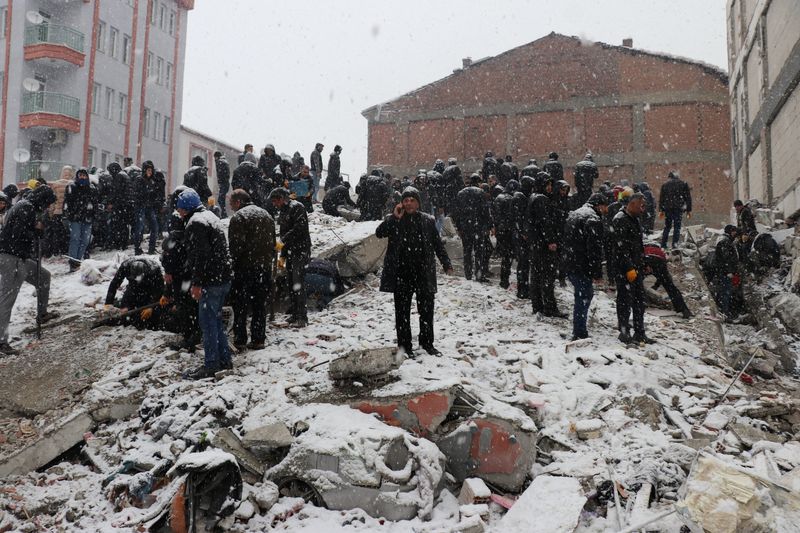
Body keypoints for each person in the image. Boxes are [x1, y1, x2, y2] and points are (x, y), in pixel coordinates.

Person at [376, 187, 453, 356]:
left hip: (423, 272)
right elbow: (379, 233)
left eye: (412, 200)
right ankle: (405, 347)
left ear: (418, 203)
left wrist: (446, 263)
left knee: (426, 310)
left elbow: (437, 244)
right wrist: (394, 218)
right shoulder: (395, 219)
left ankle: (427, 343)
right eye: (406, 200)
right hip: (401, 274)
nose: (408, 203)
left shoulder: (427, 220)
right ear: (401, 203)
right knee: (402, 312)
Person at [177, 188, 233, 379]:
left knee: (208, 324)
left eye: (180, 208)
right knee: (216, 322)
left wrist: (197, 283)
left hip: (210, 281)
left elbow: (201, 255)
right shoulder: (211, 217)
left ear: (186, 208)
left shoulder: (196, 223)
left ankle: (211, 365)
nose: (179, 212)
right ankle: (224, 360)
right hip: (223, 278)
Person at [0, 185, 59, 354]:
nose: (47, 207)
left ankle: (42, 313)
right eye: (47, 204)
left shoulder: (24, 204)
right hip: (12, 257)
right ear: (42, 200)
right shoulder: (26, 208)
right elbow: (18, 233)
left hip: (20, 256)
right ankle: (1, 342)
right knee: (6, 299)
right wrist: (36, 230)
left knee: (44, 277)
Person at [228, 189, 275, 351]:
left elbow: (235, 248)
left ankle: (240, 339)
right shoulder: (267, 216)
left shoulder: (239, 218)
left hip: (244, 270)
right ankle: (258, 339)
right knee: (259, 305)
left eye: (231, 203)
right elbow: (273, 244)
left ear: (238, 202)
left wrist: (231, 265)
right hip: (264, 269)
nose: (231, 207)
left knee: (240, 306)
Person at [562, 193, 608, 340]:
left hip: (570, 262)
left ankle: (579, 329)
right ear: (598, 205)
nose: (606, 210)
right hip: (582, 265)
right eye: (605, 206)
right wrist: (597, 274)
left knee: (581, 296)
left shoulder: (575, 214)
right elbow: (594, 250)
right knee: (584, 296)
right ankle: (580, 332)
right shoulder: (593, 219)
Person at [612, 193, 653, 344]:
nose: (643, 209)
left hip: (637, 267)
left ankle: (640, 332)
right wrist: (628, 267)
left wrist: (644, 262)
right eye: (641, 206)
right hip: (624, 269)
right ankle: (624, 332)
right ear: (633, 203)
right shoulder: (620, 219)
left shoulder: (635, 219)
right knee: (624, 301)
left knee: (639, 301)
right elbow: (620, 248)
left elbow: (639, 245)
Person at [525, 172, 566, 317]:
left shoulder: (533, 197)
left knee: (536, 275)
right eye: (547, 184)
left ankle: (538, 306)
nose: (549, 187)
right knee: (547, 276)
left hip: (535, 243)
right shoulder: (541, 199)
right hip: (543, 245)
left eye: (550, 185)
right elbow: (545, 222)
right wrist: (551, 241)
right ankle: (550, 307)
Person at [160, 210, 200, 351]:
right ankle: (194, 334)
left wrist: (169, 271)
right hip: (190, 276)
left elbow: (167, 258)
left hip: (181, 277)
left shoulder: (173, 239)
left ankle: (190, 337)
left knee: (184, 306)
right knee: (191, 305)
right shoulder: (191, 232)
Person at [270, 187, 311, 327]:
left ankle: (302, 317)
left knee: (298, 283)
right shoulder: (283, 211)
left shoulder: (297, 207)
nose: (275, 204)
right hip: (290, 252)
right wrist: (282, 255)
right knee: (291, 284)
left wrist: (283, 241)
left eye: (276, 201)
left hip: (300, 251)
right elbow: (283, 233)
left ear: (282, 198)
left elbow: (299, 228)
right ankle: (294, 314)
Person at [104, 256, 164, 328]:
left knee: (148, 313)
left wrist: (151, 306)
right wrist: (108, 303)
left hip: (149, 287)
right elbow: (114, 283)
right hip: (132, 287)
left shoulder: (154, 269)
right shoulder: (125, 267)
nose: (137, 280)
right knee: (125, 311)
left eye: (138, 277)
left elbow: (159, 290)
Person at [453, 174, 492, 282]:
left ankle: (468, 274)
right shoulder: (481, 193)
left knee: (467, 251)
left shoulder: (461, 193)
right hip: (478, 227)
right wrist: (488, 226)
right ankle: (479, 274)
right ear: (478, 182)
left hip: (466, 227)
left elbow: (457, 212)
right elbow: (485, 211)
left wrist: (459, 227)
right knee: (479, 251)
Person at [643, 244, 692, 319]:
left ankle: (641, 301)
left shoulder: (642, 255)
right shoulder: (657, 255)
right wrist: (656, 285)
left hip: (651, 261)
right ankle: (684, 309)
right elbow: (662, 275)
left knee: (637, 282)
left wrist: (655, 285)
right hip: (657, 260)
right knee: (670, 286)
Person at [63, 168, 99, 271]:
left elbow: (95, 203)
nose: (82, 177)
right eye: (80, 175)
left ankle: (78, 260)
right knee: (75, 239)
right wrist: (69, 214)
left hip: (88, 218)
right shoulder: (72, 187)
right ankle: (73, 261)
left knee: (85, 240)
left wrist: (95, 215)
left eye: (84, 175)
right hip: (75, 218)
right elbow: (67, 202)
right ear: (77, 176)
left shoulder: (91, 188)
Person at [132, 161, 165, 255]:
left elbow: (154, 193)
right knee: (140, 227)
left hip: (149, 206)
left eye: (151, 170)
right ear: (144, 170)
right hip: (141, 206)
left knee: (155, 227)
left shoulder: (152, 180)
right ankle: (137, 248)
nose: (150, 172)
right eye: (148, 170)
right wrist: (148, 193)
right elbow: (137, 193)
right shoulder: (139, 179)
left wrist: (154, 197)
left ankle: (151, 248)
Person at [493, 180, 518, 289]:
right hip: (509, 230)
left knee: (505, 256)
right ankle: (505, 279)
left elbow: (495, 214)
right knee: (508, 256)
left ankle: (504, 279)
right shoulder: (512, 199)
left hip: (501, 230)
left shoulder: (499, 197)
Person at [512, 176, 533, 299]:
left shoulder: (519, 196)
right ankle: (522, 290)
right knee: (523, 263)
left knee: (523, 263)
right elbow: (519, 217)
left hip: (519, 235)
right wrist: (523, 232)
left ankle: (523, 288)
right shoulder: (520, 198)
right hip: (521, 236)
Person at [658, 170, 692, 249]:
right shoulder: (683, 184)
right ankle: (674, 245)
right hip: (678, 208)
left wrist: (661, 210)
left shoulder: (665, 185)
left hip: (668, 209)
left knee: (667, 226)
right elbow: (688, 198)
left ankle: (663, 244)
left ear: (670, 177)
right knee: (677, 227)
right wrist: (688, 210)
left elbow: (661, 198)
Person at [712, 225, 740, 318]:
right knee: (726, 292)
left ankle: (723, 310)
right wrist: (729, 271)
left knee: (724, 291)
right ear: (730, 232)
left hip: (723, 272)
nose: (735, 234)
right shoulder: (726, 242)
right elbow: (725, 259)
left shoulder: (726, 241)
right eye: (734, 231)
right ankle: (725, 313)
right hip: (725, 273)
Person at [105, 162, 133, 250]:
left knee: (117, 225)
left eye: (110, 171)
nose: (109, 173)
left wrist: (110, 202)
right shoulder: (125, 176)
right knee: (124, 225)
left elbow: (116, 191)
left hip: (119, 205)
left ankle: (118, 243)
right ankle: (124, 243)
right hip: (126, 205)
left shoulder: (118, 177)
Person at [214, 151, 231, 218]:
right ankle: (223, 214)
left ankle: (224, 214)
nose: (214, 159)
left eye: (214, 157)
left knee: (220, 199)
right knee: (222, 199)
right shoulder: (224, 162)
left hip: (224, 183)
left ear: (216, 156)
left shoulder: (220, 162)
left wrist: (220, 182)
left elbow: (221, 174)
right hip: (225, 183)